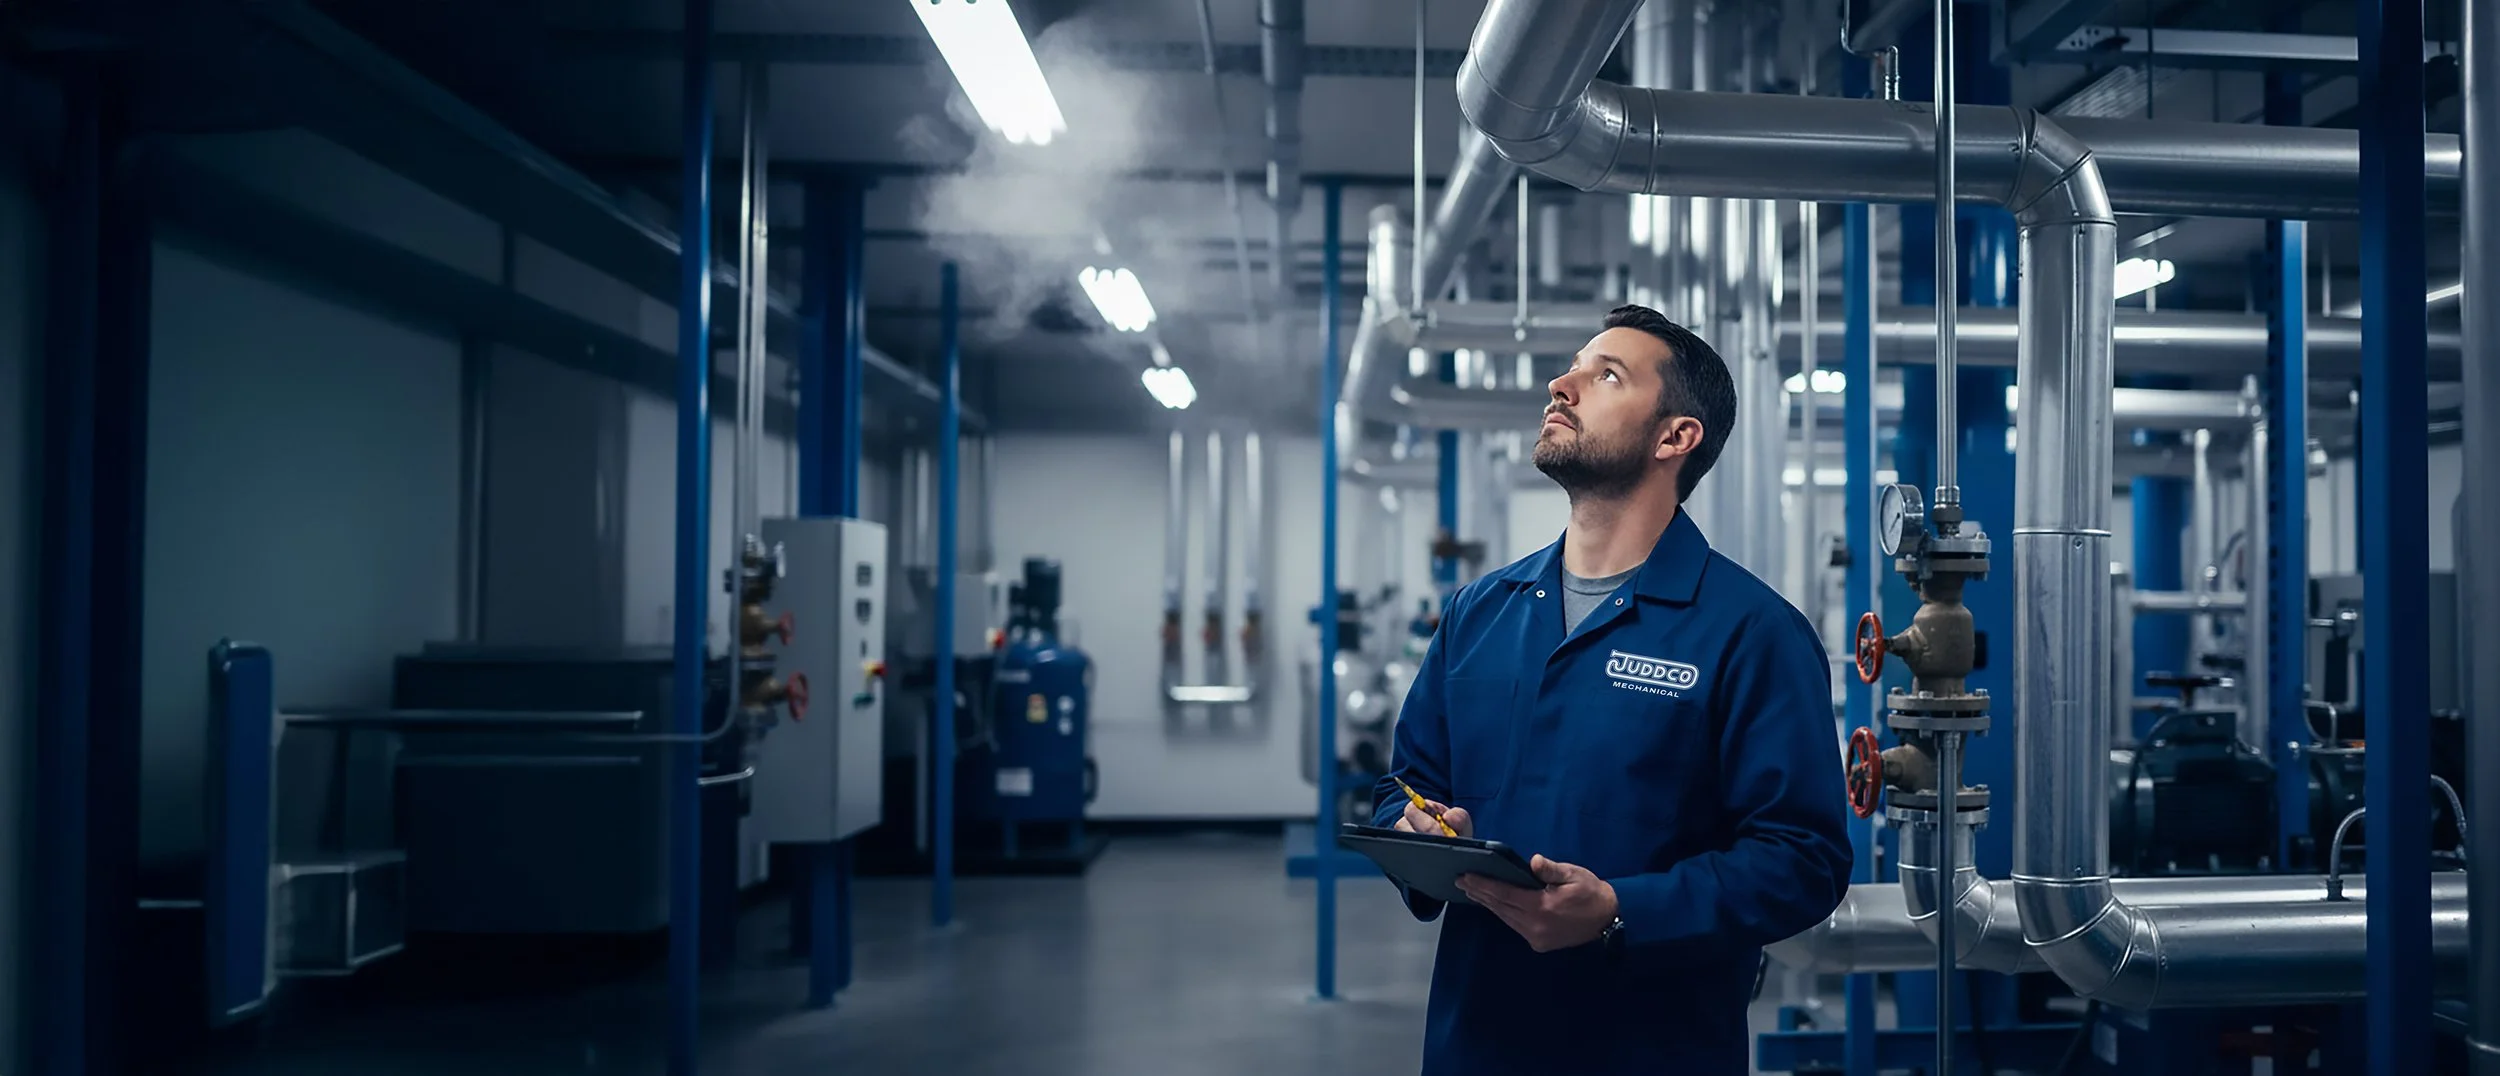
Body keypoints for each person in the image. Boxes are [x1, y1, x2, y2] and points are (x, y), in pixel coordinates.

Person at [1372, 304, 1853, 1075]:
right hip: (1476, 1039)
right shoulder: (1478, 613)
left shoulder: (1752, 632)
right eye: (1573, 369)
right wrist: (1414, 831)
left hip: (1651, 1047)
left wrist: (1620, 912)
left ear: (1674, 437)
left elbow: (1803, 860)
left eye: (1607, 375)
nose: (1562, 385)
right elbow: (1403, 785)